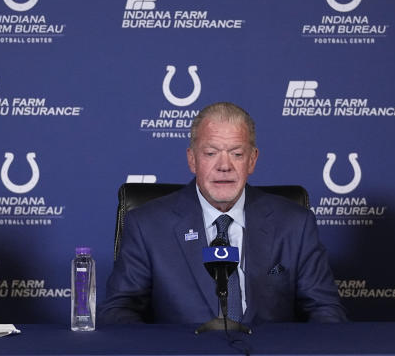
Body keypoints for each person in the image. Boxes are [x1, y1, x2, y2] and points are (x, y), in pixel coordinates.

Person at [101, 102, 347, 325]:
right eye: (210, 153)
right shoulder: (148, 225)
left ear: (252, 160)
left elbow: (325, 310)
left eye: (237, 154)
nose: (224, 166)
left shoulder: (294, 224)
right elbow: (118, 310)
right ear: (192, 160)